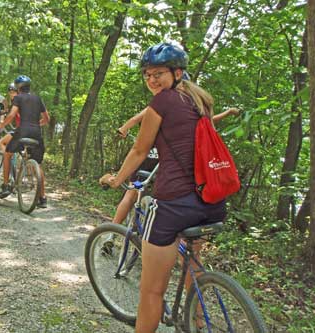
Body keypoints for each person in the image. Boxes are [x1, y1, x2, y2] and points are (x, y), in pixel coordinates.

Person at [99, 43, 227, 333]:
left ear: (177, 72)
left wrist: (117, 180)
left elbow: (140, 150)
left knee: (151, 291)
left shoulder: (162, 102)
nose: (152, 80)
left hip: (174, 204)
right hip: (212, 201)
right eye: (148, 75)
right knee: (192, 259)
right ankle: (194, 318)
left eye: (159, 73)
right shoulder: (201, 100)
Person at [111, 106, 239, 228]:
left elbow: (134, 120)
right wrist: (227, 113)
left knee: (130, 195)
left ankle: (112, 231)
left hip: (147, 155)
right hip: (164, 160)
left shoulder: (157, 106)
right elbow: (207, 122)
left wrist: (123, 129)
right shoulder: (182, 112)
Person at [0, 75, 49, 208]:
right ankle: (42, 198)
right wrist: (36, 125)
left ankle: (6, 185)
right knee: (37, 164)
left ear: (18, 88)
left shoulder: (18, 98)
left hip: (22, 131)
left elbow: (12, 115)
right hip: (37, 133)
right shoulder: (38, 98)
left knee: (7, 153)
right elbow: (47, 119)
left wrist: (1, 125)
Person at [0, 83, 20, 152]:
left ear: (17, 92)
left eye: (13, 92)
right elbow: (8, 114)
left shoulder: (17, 102)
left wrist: (2, 124)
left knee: (1, 142)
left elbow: (10, 116)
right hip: (31, 129)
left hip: (21, 129)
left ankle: (7, 161)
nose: (11, 94)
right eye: (10, 93)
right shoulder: (23, 101)